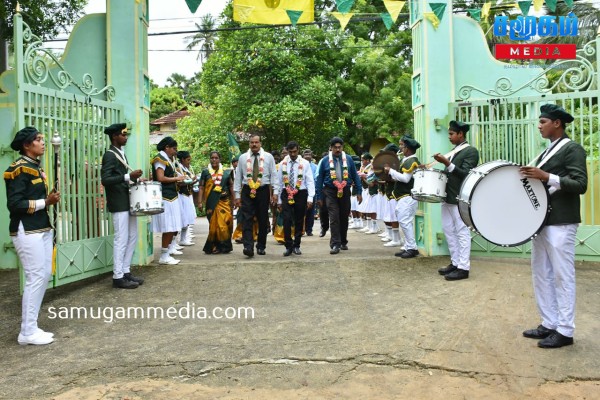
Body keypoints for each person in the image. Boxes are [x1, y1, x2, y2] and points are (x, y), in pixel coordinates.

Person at [519, 104, 588, 348]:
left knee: (562, 275)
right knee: (541, 273)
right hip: (542, 222)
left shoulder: (573, 149)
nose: (539, 125)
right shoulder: (547, 151)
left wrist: (547, 176)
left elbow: (580, 184)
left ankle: (565, 331)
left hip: (562, 221)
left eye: (543, 121)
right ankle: (549, 323)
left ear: (557, 123)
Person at [4, 127, 60, 345]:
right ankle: (27, 331)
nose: (42, 143)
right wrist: (45, 202)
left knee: (43, 275)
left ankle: (32, 326)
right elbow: (15, 204)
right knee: (35, 277)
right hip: (26, 229)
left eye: (42, 139)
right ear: (27, 145)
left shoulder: (36, 167)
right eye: (37, 140)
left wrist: (49, 198)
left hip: (41, 226)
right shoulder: (17, 169)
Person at [100, 123, 145, 289]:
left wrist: (137, 180)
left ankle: (125, 271)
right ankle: (117, 276)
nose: (125, 137)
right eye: (123, 135)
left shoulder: (121, 153)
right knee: (121, 238)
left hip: (127, 200)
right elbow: (106, 179)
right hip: (118, 202)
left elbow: (122, 177)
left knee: (132, 235)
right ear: (114, 137)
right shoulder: (110, 155)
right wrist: (128, 176)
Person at [433, 121, 479, 280]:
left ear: (461, 134)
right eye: (449, 134)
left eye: (452, 134)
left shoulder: (470, 151)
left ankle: (464, 267)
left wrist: (447, 163)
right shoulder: (454, 151)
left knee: (462, 232)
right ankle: (455, 262)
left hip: (459, 197)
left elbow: (466, 174)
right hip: (447, 196)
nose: (449, 137)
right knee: (448, 230)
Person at [233, 134, 279, 257]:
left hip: (263, 190)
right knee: (246, 218)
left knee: (262, 219)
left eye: (256, 142)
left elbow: (274, 176)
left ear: (260, 143)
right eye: (252, 142)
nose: (254, 144)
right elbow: (238, 178)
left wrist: (275, 193)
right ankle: (248, 246)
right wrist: (237, 195)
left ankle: (261, 246)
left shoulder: (268, 157)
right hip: (247, 190)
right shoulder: (243, 158)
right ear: (249, 143)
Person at [315, 137, 362, 254]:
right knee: (334, 217)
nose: (337, 149)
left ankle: (343, 241)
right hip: (330, 191)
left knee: (344, 217)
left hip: (345, 190)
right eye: (335, 147)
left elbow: (355, 176)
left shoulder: (349, 159)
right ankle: (335, 244)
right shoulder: (325, 160)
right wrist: (319, 196)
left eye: (339, 147)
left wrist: (359, 191)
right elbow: (319, 179)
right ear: (331, 148)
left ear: (342, 147)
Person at [384, 136, 421, 258]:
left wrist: (390, 171)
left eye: (401, 145)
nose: (400, 147)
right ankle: (408, 246)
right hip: (403, 197)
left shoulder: (411, 160)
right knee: (405, 222)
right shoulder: (406, 160)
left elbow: (405, 179)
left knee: (405, 222)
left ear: (407, 148)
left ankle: (411, 248)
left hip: (407, 196)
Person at [151, 136, 186, 265]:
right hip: (165, 197)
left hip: (172, 196)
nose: (175, 151)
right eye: (174, 149)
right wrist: (177, 179)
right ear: (167, 147)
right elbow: (160, 177)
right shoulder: (160, 159)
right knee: (168, 226)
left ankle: (167, 252)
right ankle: (164, 255)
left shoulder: (168, 159)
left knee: (172, 226)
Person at [277, 141, 315, 256]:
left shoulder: (305, 163)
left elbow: (309, 181)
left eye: (295, 151)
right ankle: (288, 246)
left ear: (298, 150)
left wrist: (310, 198)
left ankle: (297, 245)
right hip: (286, 192)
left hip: (301, 193)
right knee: (287, 219)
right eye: (290, 152)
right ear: (287, 151)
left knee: (299, 220)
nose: (293, 154)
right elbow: (279, 183)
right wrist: (278, 200)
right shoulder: (282, 163)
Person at [198, 151, 234, 254]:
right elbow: (201, 187)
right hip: (211, 202)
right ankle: (214, 246)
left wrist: (235, 199)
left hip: (225, 201)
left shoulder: (226, 172)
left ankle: (225, 246)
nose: (214, 160)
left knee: (226, 223)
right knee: (214, 225)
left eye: (216, 158)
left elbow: (231, 186)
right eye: (212, 158)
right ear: (210, 159)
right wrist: (200, 202)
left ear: (220, 159)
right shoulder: (205, 172)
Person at [175, 151, 196, 247]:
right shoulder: (177, 168)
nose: (189, 162)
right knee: (181, 219)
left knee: (187, 218)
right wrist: (191, 181)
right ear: (182, 159)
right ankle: (174, 242)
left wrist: (193, 180)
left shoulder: (186, 168)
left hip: (188, 195)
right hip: (181, 195)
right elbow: (179, 182)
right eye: (187, 160)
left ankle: (183, 239)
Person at [302, 149, 318, 236]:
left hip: (312, 191)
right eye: (305, 154)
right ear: (303, 156)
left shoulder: (315, 167)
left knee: (311, 211)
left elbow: (316, 179)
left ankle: (309, 230)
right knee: (301, 211)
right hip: (302, 191)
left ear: (311, 156)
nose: (307, 156)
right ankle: (301, 229)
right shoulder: (301, 165)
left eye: (309, 154)